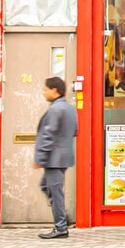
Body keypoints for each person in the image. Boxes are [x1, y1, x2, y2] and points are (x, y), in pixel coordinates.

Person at [34, 75, 77, 239]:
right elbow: (75, 130)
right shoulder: (70, 108)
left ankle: (61, 227)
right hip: (63, 156)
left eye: (45, 90)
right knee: (46, 186)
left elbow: (48, 135)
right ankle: (62, 219)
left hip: (54, 159)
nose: (44, 93)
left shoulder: (55, 109)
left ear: (54, 90)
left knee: (55, 191)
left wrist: (40, 158)